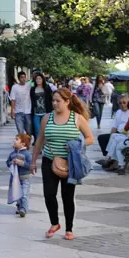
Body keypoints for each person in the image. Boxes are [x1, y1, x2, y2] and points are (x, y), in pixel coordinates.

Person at [31, 88, 95, 241]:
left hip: (70, 163)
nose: (54, 103)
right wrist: (33, 161)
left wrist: (76, 144)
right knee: (49, 194)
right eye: (53, 100)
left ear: (67, 102)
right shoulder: (47, 118)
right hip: (49, 160)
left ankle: (69, 228)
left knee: (67, 196)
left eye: (58, 101)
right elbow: (40, 140)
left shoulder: (77, 118)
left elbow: (90, 138)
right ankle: (54, 223)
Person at [7, 133, 33, 217]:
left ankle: (23, 209)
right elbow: (7, 162)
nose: (14, 140)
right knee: (17, 193)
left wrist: (22, 163)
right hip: (15, 178)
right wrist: (12, 162)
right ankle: (19, 207)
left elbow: (30, 165)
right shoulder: (12, 154)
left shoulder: (27, 154)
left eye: (17, 139)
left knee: (24, 194)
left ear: (23, 144)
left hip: (25, 178)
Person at [98, 95, 129, 159]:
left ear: (128, 103)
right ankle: (108, 157)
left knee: (115, 139)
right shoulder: (118, 112)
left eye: (124, 102)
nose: (122, 105)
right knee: (102, 138)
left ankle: (110, 159)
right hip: (118, 133)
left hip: (127, 135)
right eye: (120, 103)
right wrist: (111, 136)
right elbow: (114, 127)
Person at [30, 72, 53, 138]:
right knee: (37, 130)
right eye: (37, 79)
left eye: (40, 79)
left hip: (45, 113)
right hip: (36, 113)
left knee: (45, 130)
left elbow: (51, 99)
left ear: (43, 80)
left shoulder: (47, 88)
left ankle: (45, 144)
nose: (38, 80)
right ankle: (39, 144)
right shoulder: (32, 89)